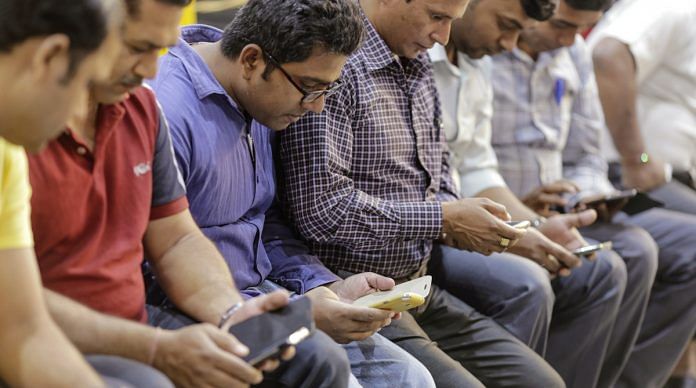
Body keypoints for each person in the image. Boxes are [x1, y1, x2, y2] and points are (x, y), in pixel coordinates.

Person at [279, 0, 566, 386]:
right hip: (350, 283)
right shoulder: (336, 62)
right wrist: (445, 218)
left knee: (541, 382)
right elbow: (323, 209)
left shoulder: (415, 61)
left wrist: (477, 220)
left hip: (416, 282)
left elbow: (439, 174)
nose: (443, 36)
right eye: (436, 17)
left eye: (451, 20)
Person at [150, 0, 435, 386]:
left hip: (265, 293)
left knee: (409, 378)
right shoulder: (168, 111)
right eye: (310, 88)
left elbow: (265, 223)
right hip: (196, 310)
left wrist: (324, 286)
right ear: (252, 61)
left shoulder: (259, 101)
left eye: (327, 91)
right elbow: (156, 261)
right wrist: (290, 313)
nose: (317, 108)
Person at [27, 1, 305, 387]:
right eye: (138, 48)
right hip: (54, 337)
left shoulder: (142, 108)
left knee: (307, 359)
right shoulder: (22, 128)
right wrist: (156, 349)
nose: (151, 70)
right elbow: (20, 313)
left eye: (160, 49)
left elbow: (175, 238)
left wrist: (229, 311)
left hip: (133, 324)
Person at [489, 0, 696, 386]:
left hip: (567, 205)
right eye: (562, 25)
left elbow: (585, 155)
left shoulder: (573, 51)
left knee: (676, 245)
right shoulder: (487, 46)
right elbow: (470, 163)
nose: (569, 39)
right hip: (506, 205)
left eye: (579, 30)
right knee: (623, 257)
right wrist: (639, 157)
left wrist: (584, 195)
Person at [428, 0, 628, 386]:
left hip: (458, 210)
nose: (509, 44)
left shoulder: (476, 60)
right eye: (505, 26)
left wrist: (533, 226)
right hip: (430, 224)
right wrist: (516, 230)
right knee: (526, 282)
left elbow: (476, 166)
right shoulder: (422, 49)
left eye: (519, 31)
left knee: (600, 268)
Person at [0, 0, 166, 387]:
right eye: (83, 83)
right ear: (51, 57)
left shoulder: (8, 156)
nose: (79, 108)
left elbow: (23, 331)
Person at [587, 0, 696, 214]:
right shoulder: (671, 6)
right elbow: (608, 55)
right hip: (622, 171)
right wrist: (637, 159)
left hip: (669, 175)